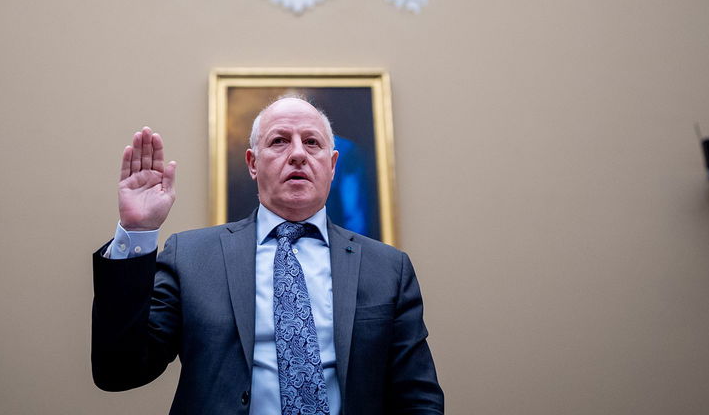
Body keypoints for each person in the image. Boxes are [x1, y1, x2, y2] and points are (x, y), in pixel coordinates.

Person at [91, 96, 444, 414]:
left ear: (332, 164)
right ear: (252, 163)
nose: (297, 154)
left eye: (311, 143)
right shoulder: (192, 257)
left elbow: (418, 398)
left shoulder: (387, 268)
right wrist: (137, 232)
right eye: (279, 141)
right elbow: (118, 371)